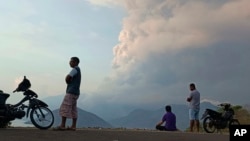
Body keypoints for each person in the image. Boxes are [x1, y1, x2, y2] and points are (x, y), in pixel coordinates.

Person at [54, 57, 81, 131]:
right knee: (73, 109)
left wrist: (67, 80)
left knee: (65, 107)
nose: (70, 62)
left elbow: (68, 77)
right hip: (76, 93)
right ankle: (73, 126)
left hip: (71, 92)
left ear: (75, 62)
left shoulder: (75, 69)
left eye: (71, 61)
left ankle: (62, 125)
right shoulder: (78, 70)